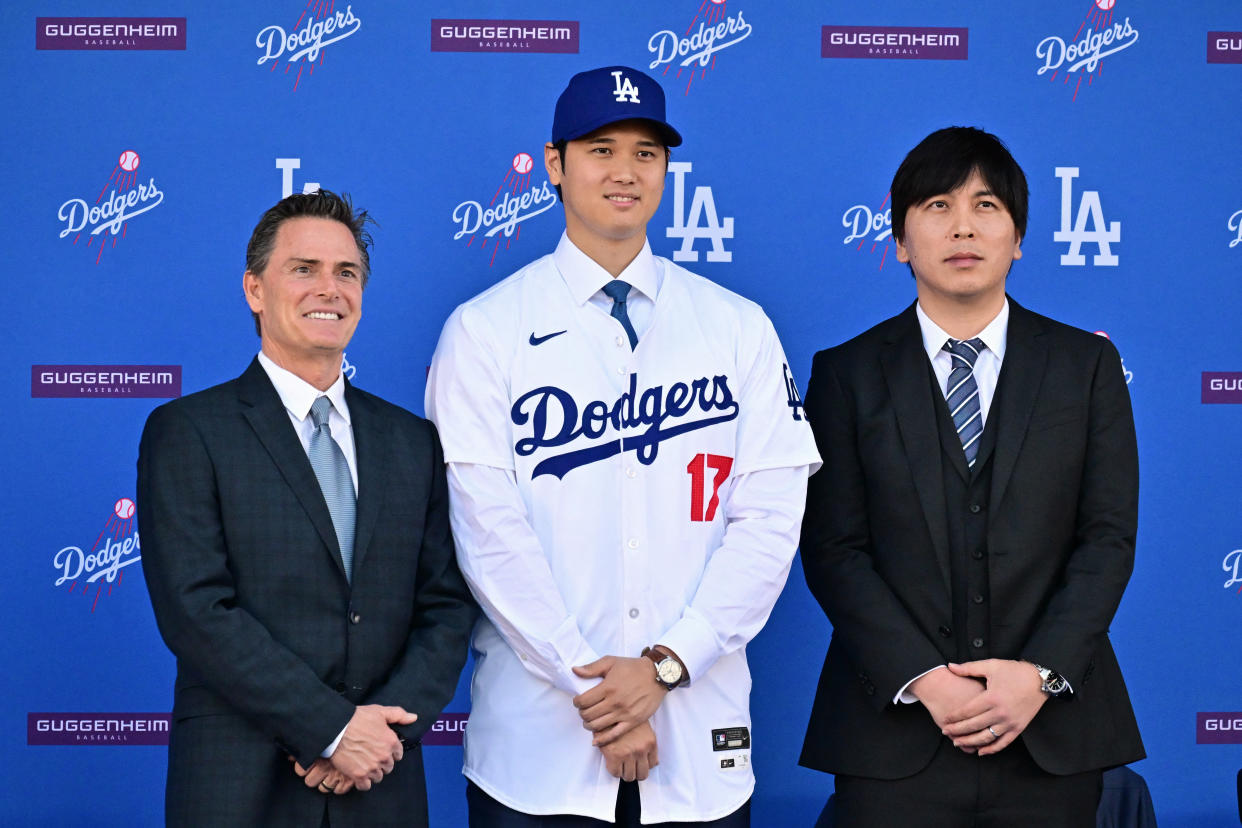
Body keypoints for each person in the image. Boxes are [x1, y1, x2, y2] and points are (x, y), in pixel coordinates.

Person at [426, 65, 820, 826]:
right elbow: (486, 533)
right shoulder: (483, 329)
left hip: (699, 743)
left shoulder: (738, 326)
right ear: (554, 165)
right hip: (537, 752)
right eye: (601, 148)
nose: (625, 170)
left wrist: (667, 667)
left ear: (667, 169)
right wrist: (600, 694)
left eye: (646, 152)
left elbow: (771, 522)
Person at [798, 126, 1144, 827]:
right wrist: (924, 680)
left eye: (985, 206)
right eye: (936, 206)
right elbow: (833, 550)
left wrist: (1038, 674)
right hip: (892, 738)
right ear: (899, 239)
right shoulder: (847, 374)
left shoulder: (1086, 369)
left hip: (1051, 734)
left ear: (1018, 237)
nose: (963, 227)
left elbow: (1106, 539)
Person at [137, 190, 476, 827]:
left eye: (346, 273)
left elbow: (446, 605)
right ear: (254, 290)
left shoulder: (412, 441)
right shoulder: (188, 430)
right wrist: (329, 728)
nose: (330, 288)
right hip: (240, 785)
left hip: (382, 782)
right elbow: (195, 610)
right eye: (304, 269)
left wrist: (379, 736)